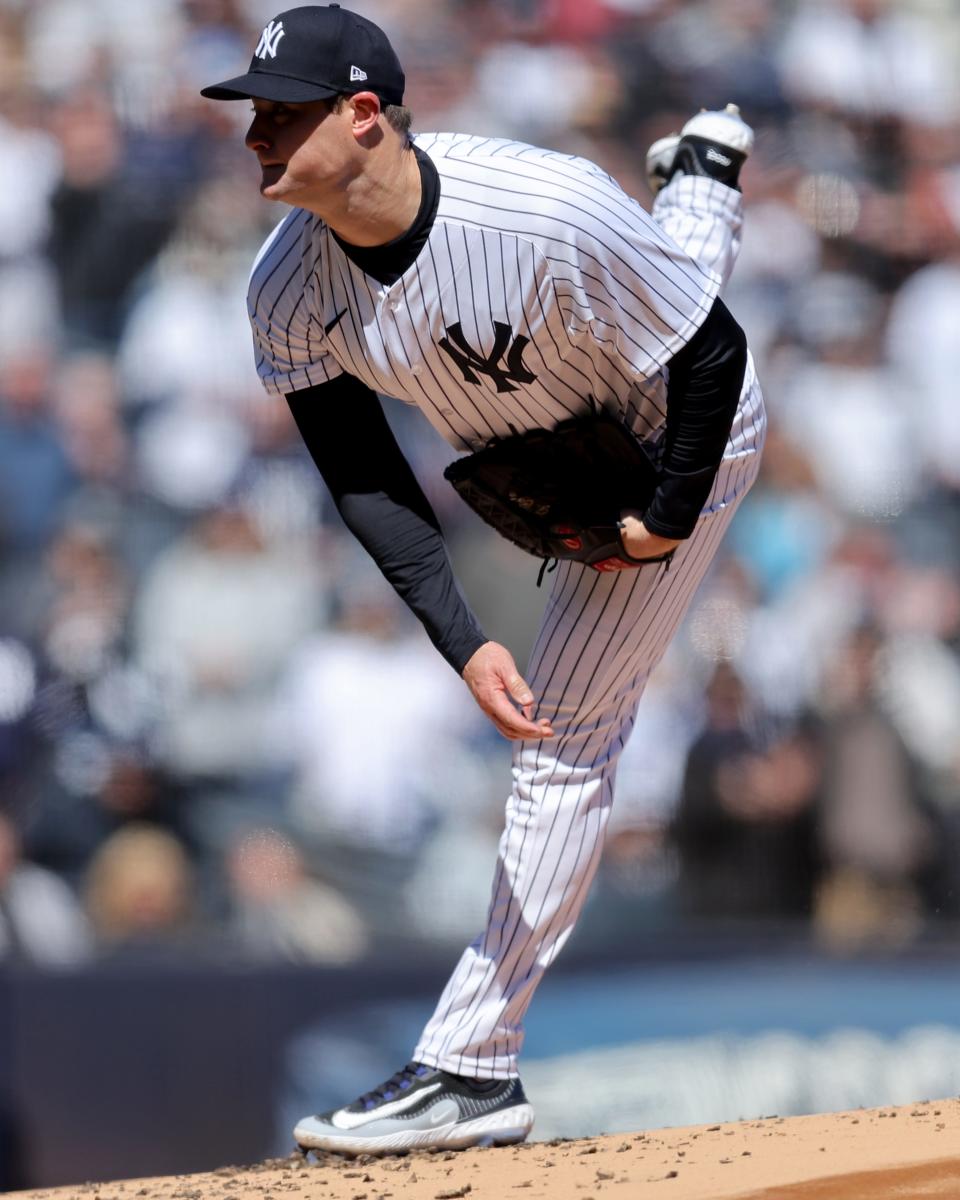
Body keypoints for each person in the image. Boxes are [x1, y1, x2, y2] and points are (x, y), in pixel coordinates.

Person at [201, 4, 765, 1155]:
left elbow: (711, 355)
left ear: (365, 115)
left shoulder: (541, 201)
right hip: (568, 406)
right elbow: (364, 478)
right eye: (253, 110)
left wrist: (662, 521)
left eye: (282, 112)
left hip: (677, 437)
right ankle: (701, 180)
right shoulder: (288, 289)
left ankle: (472, 1064)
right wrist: (462, 639)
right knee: (654, 275)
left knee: (564, 740)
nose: (256, 133)